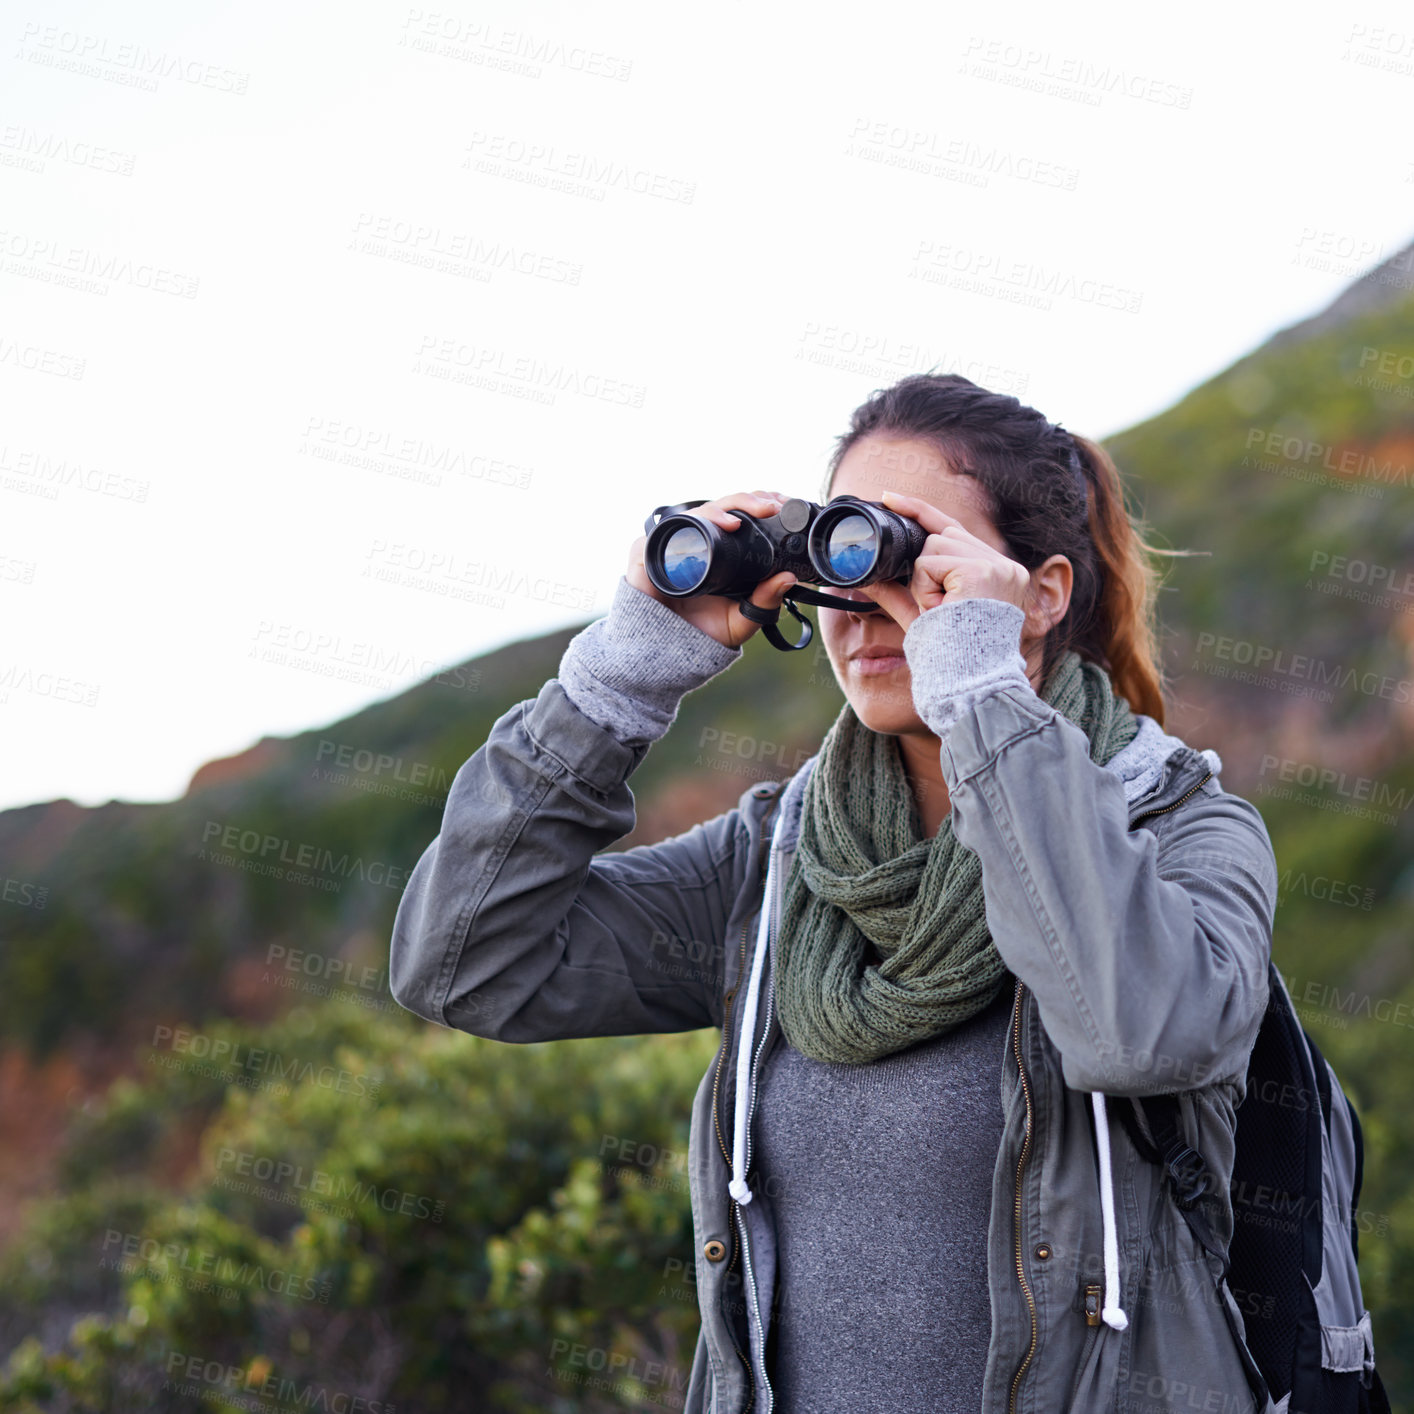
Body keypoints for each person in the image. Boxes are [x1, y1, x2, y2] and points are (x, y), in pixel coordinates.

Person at [389, 373, 1279, 1414]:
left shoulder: (1179, 830)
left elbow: (1139, 1032)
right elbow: (467, 967)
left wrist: (982, 696)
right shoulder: (774, 868)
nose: (864, 606)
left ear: (1040, 593)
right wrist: (616, 679)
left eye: (906, 554)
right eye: (837, 561)